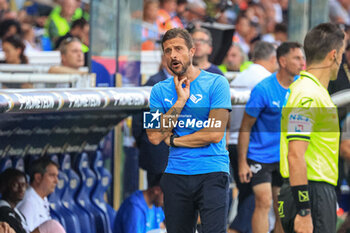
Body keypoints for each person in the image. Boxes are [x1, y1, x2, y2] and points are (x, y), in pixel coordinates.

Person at [146, 28, 231, 233]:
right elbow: (154, 136)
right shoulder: (158, 90)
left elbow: (214, 133)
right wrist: (180, 101)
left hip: (212, 171)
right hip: (176, 174)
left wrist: (175, 141)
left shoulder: (217, 83)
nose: (173, 55)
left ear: (192, 51)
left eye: (178, 49)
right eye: (167, 51)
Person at [278, 22, 345, 233]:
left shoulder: (312, 91)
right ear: (334, 55)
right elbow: (295, 155)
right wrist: (304, 211)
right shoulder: (308, 94)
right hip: (310, 193)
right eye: (343, 53)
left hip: (312, 190)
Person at [238, 42, 304, 233]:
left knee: (281, 208)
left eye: (302, 58)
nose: (302, 63)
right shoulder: (263, 89)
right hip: (259, 156)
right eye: (297, 58)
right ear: (282, 61)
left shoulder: (301, 87)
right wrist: (242, 162)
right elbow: (245, 127)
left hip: (284, 157)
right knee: (263, 201)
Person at [228, 41, 277, 233]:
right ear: (273, 59)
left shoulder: (239, 78)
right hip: (252, 146)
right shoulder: (267, 82)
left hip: (233, 143)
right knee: (255, 199)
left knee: (247, 196)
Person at [0, 168, 65, 233]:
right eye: (15, 185)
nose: (21, 189)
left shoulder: (16, 211)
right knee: (51, 225)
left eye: (23, 185)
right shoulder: (3, 211)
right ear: (3, 187)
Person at [17, 157, 59, 232]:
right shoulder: (28, 201)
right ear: (38, 178)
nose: (56, 181)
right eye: (52, 175)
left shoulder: (42, 197)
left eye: (57, 176)